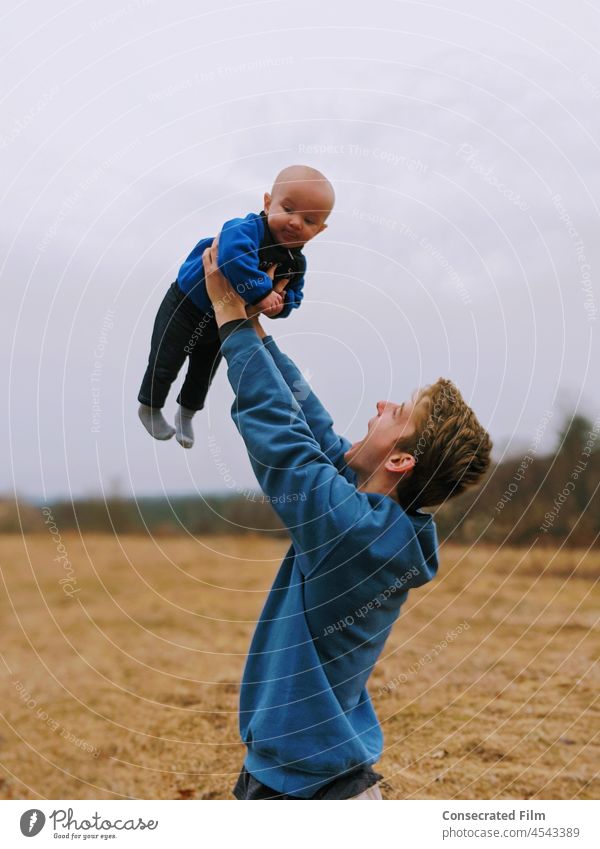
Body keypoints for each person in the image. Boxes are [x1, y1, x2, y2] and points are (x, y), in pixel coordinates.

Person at [200, 241, 493, 800]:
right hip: (315, 778)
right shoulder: (377, 526)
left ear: (400, 462)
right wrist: (258, 326)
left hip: (307, 796)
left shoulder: (355, 535)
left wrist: (229, 321)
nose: (383, 406)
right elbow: (310, 425)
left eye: (398, 412)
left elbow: (285, 443)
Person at [137, 164, 334, 448]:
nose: (295, 223)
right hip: (187, 303)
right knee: (166, 360)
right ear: (268, 203)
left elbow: (294, 295)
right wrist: (263, 292)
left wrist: (280, 305)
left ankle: (186, 414)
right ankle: (150, 406)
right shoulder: (245, 230)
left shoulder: (295, 263)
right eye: (288, 209)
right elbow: (232, 259)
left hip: (222, 318)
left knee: (203, 371)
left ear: (320, 230)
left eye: (309, 220)